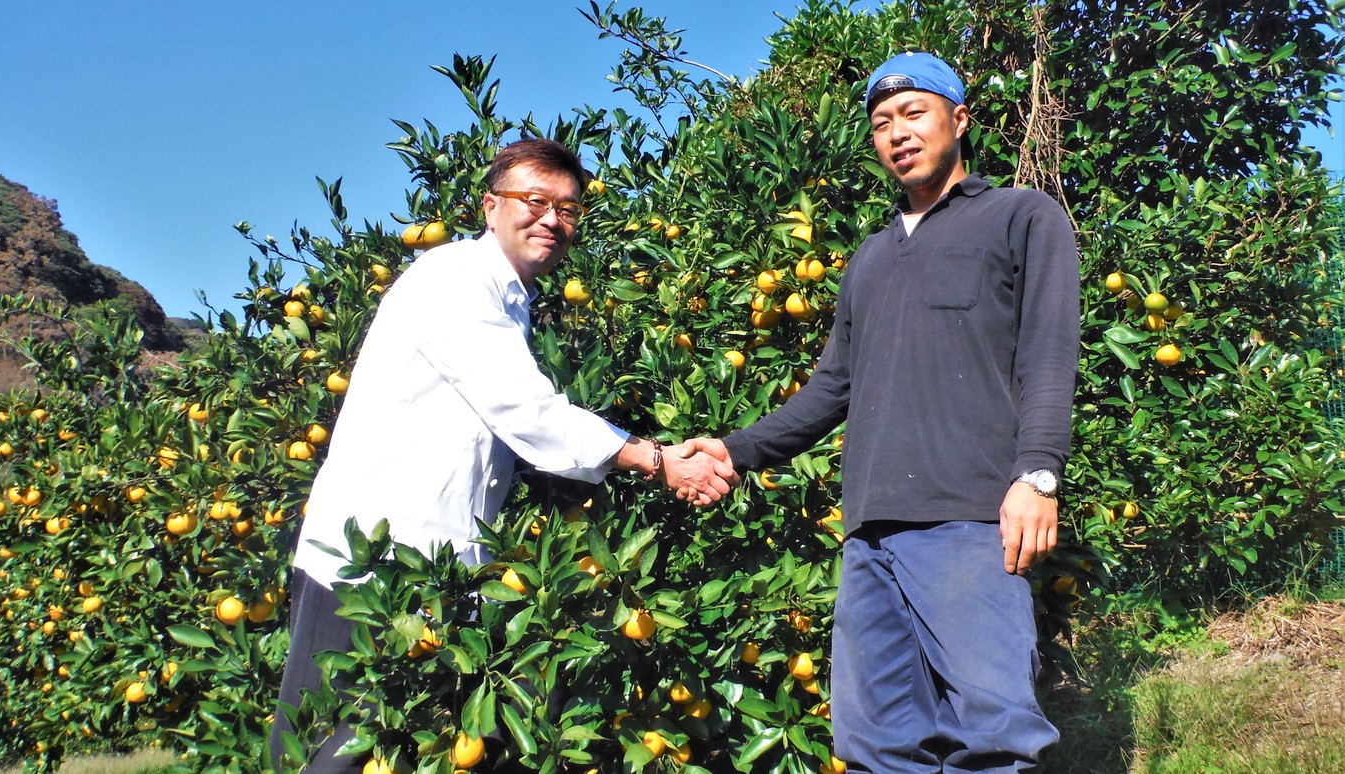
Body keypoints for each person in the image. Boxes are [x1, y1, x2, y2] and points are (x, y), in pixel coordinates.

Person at [269, 138, 737, 772]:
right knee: (337, 752)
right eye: (534, 201)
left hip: (441, 570)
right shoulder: (453, 279)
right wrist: (657, 460)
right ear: (491, 207)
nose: (552, 220)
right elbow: (526, 412)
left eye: (568, 210)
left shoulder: (512, 301)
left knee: (423, 750)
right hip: (367, 567)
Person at [685, 52, 1079, 771]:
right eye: (880, 123)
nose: (897, 132)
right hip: (868, 534)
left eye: (913, 113)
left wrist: (1038, 476)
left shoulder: (1019, 216)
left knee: (992, 735)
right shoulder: (868, 255)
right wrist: (733, 451)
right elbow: (832, 386)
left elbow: (1049, 355)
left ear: (957, 120)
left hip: (969, 520)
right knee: (873, 745)